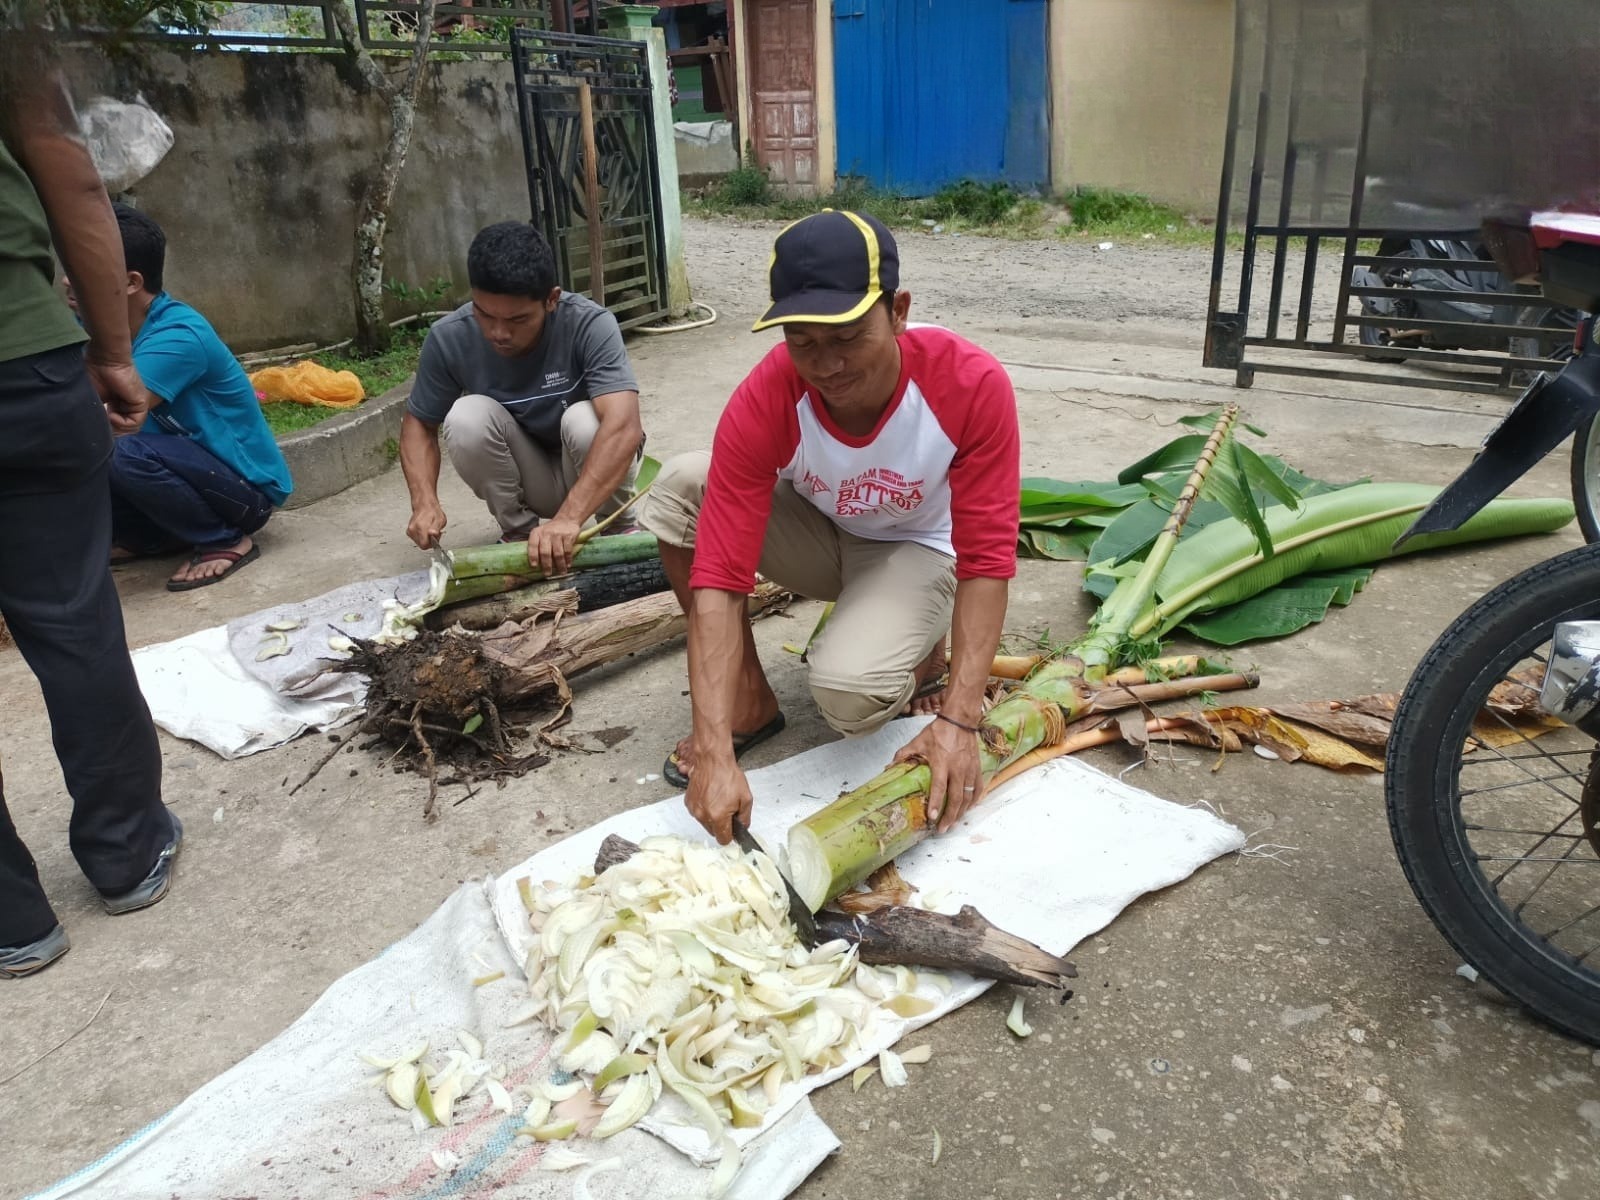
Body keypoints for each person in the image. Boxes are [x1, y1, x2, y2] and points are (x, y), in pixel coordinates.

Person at [640, 209, 1020, 845]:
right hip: (821, 529)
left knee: (849, 694)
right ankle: (750, 700)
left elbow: (987, 560)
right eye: (804, 341)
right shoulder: (769, 395)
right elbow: (720, 573)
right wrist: (713, 747)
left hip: (914, 546)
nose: (827, 365)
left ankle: (922, 653)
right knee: (681, 487)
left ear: (897, 311)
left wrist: (959, 721)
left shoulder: (968, 385)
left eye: (846, 337)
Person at [0, 61, 181, 977]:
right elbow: (71, 178)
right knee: (73, 619)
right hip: (21, 362)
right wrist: (112, 351)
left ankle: (11, 920)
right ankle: (126, 852)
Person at [400, 221, 646, 578]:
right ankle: (520, 534)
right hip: (532, 478)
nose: (498, 332)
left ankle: (619, 525)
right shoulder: (449, 338)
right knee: (465, 417)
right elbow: (419, 424)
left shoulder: (591, 324)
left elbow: (624, 427)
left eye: (517, 319)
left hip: (591, 469)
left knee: (584, 420)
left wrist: (568, 520)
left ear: (551, 299)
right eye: (485, 314)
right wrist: (424, 501)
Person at [67, 204, 293, 591]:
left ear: (132, 282)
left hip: (243, 494)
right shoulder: (85, 326)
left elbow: (91, 412)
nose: (68, 282)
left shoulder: (179, 337)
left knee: (107, 444)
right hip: (176, 472)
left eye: (81, 270)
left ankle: (224, 539)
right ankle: (151, 537)